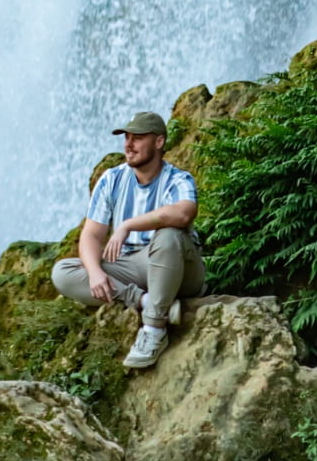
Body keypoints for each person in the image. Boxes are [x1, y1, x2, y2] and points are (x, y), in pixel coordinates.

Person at [51, 111, 206, 369]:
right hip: (130, 268)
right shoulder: (112, 179)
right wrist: (95, 273)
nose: (128, 144)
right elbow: (90, 235)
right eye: (127, 137)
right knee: (63, 272)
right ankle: (146, 302)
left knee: (167, 236)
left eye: (138, 138)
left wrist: (128, 225)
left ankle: (154, 329)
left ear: (158, 142)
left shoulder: (178, 179)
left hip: (177, 268)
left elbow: (183, 213)